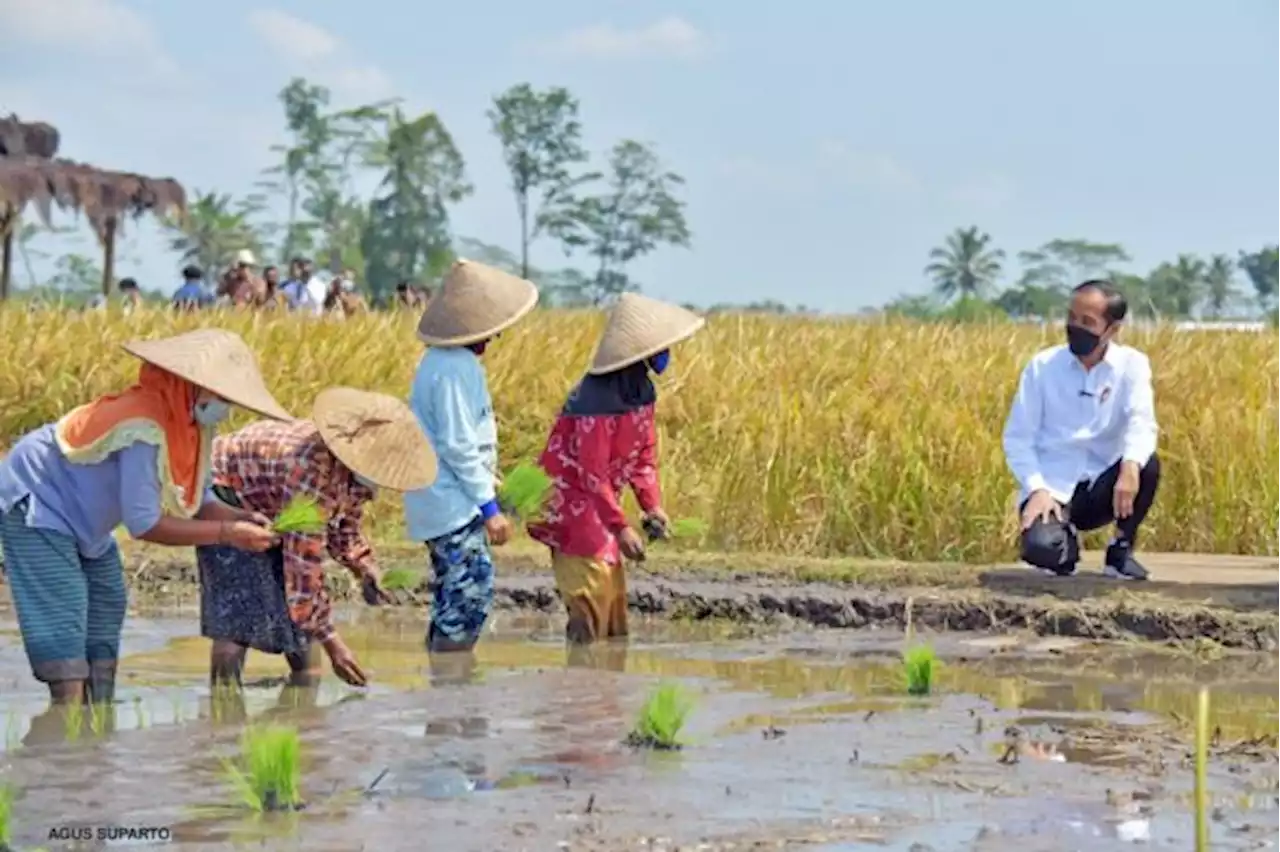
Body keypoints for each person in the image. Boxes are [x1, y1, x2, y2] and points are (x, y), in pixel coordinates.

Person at [0, 328, 292, 706]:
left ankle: (99, 720)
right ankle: (66, 732)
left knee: (107, 602)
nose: (224, 407)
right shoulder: (145, 427)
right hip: (40, 499)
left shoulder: (191, 426)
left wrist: (243, 516)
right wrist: (227, 533)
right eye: (220, 397)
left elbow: (197, 499)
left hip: (88, 516)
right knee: (64, 614)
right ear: (190, 386)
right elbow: (145, 525)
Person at [198, 388, 437, 689]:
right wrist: (334, 643)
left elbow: (344, 519)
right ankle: (224, 706)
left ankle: (304, 702)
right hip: (227, 492)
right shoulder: (310, 470)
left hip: (272, 499)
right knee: (237, 618)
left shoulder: (352, 470)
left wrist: (363, 566)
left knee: (299, 626)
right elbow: (303, 569)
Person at [529, 293, 704, 644]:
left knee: (612, 604)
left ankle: (601, 688)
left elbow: (644, 458)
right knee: (589, 601)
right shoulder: (595, 399)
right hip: (572, 506)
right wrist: (622, 527)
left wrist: (652, 505)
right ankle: (580, 686)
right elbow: (593, 474)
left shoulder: (640, 390)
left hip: (600, 509)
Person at [404, 259, 538, 655]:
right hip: (451, 503)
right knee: (468, 599)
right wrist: (490, 507)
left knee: (453, 600)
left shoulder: (445, 363)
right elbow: (458, 444)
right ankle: (450, 691)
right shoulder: (452, 366)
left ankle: (444, 692)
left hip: (447, 497)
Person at [1002, 280, 1160, 581]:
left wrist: (1130, 467)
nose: (1076, 327)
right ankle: (1065, 541)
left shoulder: (1132, 365)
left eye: (1088, 322)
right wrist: (1036, 489)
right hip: (1052, 488)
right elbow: (1018, 437)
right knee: (1042, 551)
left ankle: (1120, 551)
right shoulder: (1042, 366)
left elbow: (1142, 421)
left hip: (1102, 487)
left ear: (1112, 329)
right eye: (1072, 318)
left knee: (1146, 462)